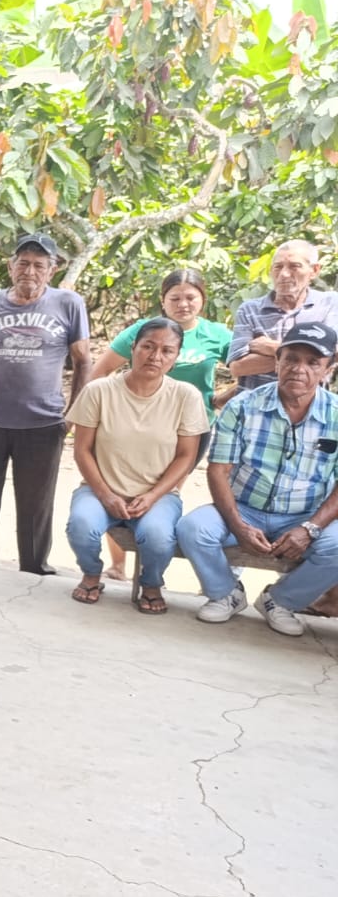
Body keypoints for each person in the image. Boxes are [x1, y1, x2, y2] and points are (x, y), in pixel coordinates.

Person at [177, 321, 338, 637]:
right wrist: (238, 525)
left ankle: (280, 601)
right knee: (192, 528)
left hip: (305, 515)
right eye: (291, 358)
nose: (299, 369)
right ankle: (226, 593)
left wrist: (310, 528)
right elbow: (218, 470)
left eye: (312, 362)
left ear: (328, 369)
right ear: (277, 361)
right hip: (244, 508)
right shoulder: (242, 405)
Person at [0, 232, 92, 574]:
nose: (29, 271)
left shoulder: (68, 304)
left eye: (38, 265)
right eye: (23, 263)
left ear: (52, 270)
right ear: (10, 266)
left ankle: (34, 569)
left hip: (42, 424)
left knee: (35, 505)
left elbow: (83, 361)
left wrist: (71, 415)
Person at [88, 269, 235, 580]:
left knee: (161, 496)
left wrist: (219, 399)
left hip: (190, 431)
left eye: (190, 297)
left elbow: (249, 371)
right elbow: (99, 371)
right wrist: (100, 411)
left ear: (203, 299)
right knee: (118, 487)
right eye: (175, 298)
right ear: (162, 300)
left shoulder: (217, 334)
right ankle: (118, 565)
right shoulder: (142, 331)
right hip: (130, 425)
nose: (183, 304)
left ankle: (150, 569)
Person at [64, 318, 210, 613]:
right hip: (100, 489)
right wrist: (106, 494)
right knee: (81, 525)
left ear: (176, 357)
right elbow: (82, 450)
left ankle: (151, 583)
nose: (156, 356)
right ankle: (91, 573)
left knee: (157, 537)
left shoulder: (186, 396)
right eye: (148, 346)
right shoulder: (99, 391)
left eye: (167, 351)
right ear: (133, 348)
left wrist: (153, 496)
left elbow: (186, 456)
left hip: (158, 495)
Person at [227, 240, 338, 392]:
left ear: (314, 270)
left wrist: (274, 348)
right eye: (278, 267)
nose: (284, 274)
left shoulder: (329, 303)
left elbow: (333, 355)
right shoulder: (250, 310)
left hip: (310, 404)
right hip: (256, 404)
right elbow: (238, 367)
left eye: (294, 266)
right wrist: (312, 356)